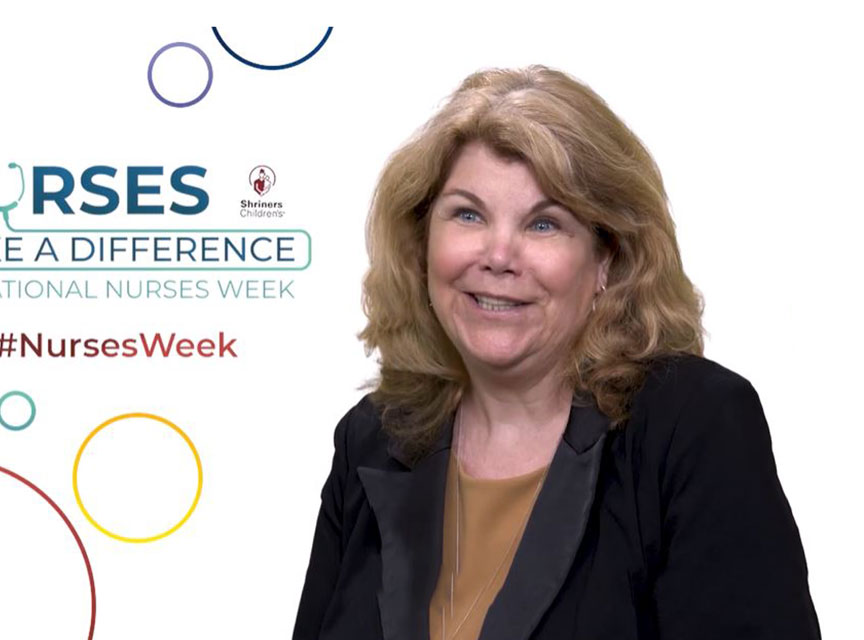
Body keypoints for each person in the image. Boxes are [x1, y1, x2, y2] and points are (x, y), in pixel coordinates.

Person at [291, 65, 820, 640]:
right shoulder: (372, 438)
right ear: (422, 245)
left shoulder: (692, 424)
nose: (498, 255)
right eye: (468, 214)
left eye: (544, 224)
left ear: (607, 262)